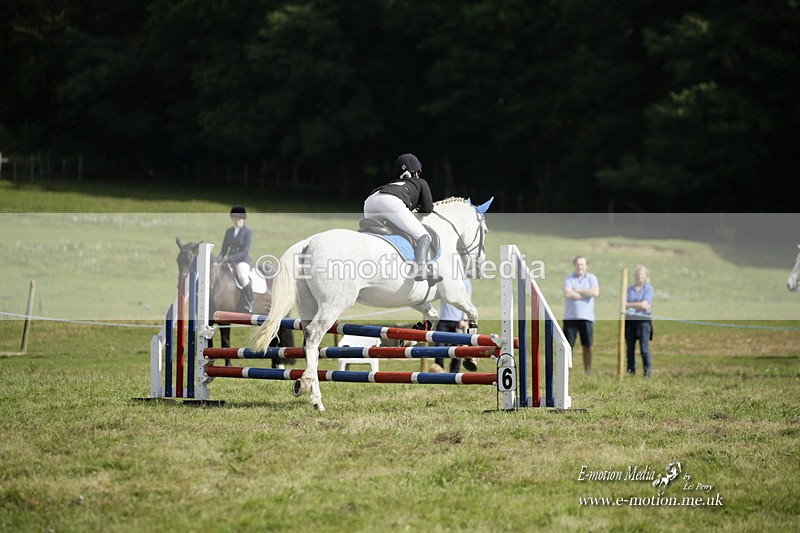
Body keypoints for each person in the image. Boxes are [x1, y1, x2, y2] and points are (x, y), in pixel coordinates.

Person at [363, 153, 440, 281]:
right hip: (391, 202)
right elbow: (427, 209)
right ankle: (422, 268)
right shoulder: (420, 182)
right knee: (424, 236)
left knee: (390, 229)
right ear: (415, 172)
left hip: (370, 201)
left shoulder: (393, 183)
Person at [563, 255, 599, 374]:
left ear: (586, 266)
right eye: (578, 264)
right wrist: (585, 293)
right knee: (568, 347)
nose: (580, 267)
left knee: (587, 346)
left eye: (582, 264)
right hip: (570, 318)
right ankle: (566, 372)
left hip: (586, 318)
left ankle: (587, 371)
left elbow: (594, 292)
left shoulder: (592, 278)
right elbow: (568, 294)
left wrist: (577, 291)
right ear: (574, 265)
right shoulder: (569, 278)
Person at [430, 278, 473, 373]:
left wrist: (464, 319)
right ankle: (439, 371)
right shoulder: (444, 279)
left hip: (458, 322)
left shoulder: (465, 282)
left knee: (457, 350)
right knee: (439, 347)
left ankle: (454, 373)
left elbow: (468, 301)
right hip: (443, 320)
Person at [219, 205, 254, 313]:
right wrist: (219, 259)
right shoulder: (229, 231)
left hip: (242, 261)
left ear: (243, 219)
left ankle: (250, 302)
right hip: (228, 261)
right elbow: (224, 249)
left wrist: (230, 258)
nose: (236, 220)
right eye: (234, 218)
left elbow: (245, 251)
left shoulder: (248, 232)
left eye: (238, 218)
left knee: (243, 277)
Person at [625, 265, 654, 377]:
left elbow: (645, 305)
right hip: (630, 322)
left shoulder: (648, 289)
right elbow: (624, 304)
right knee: (630, 349)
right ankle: (631, 371)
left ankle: (647, 373)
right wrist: (637, 305)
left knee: (644, 348)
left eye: (642, 275)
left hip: (643, 322)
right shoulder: (629, 289)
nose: (639, 277)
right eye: (637, 274)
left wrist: (630, 305)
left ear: (646, 276)